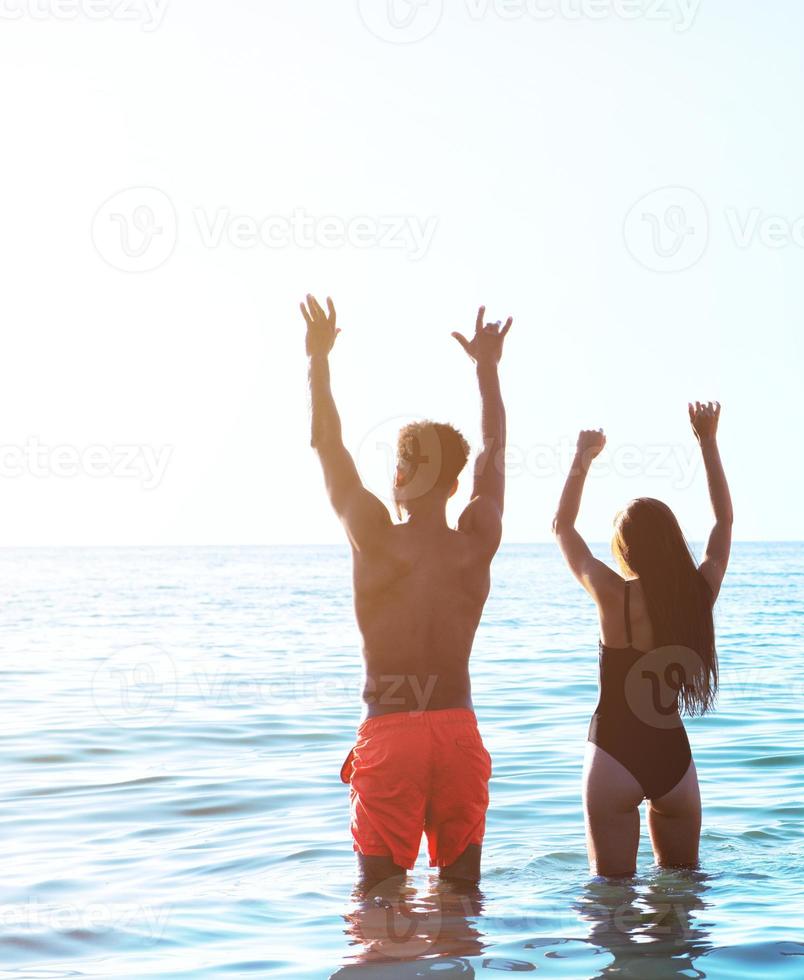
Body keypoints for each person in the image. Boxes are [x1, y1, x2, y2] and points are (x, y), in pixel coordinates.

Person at [304, 295, 511, 886]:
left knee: (378, 897)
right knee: (462, 895)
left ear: (398, 476)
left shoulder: (372, 535)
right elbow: (494, 453)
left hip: (391, 730)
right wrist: (487, 369)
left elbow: (327, 443)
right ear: (453, 484)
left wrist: (317, 360)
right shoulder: (475, 540)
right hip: (455, 729)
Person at [553, 403, 732, 877]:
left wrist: (582, 459)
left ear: (626, 549)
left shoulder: (613, 595)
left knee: (610, 905)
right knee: (682, 898)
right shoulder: (698, 594)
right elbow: (723, 524)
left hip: (613, 753)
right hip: (672, 759)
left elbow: (562, 529)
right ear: (672, 541)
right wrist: (708, 443)